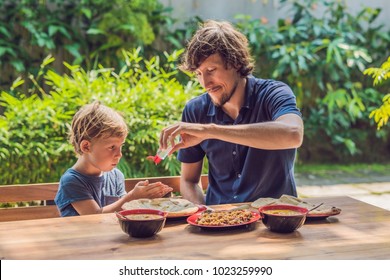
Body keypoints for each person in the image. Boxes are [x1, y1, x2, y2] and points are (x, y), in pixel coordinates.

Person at [159, 20, 304, 205]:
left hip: (274, 220)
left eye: (211, 70)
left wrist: (210, 131)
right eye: (198, 74)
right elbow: (188, 181)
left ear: (235, 63)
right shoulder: (195, 110)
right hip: (220, 224)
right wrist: (204, 216)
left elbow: (293, 135)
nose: (205, 83)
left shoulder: (274, 93)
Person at [55, 101, 172, 216]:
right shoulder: (72, 181)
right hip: (83, 235)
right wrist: (133, 197)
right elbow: (94, 217)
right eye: (112, 147)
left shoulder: (116, 176)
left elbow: (125, 212)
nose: (119, 154)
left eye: (121, 146)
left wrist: (149, 197)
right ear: (86, 146)